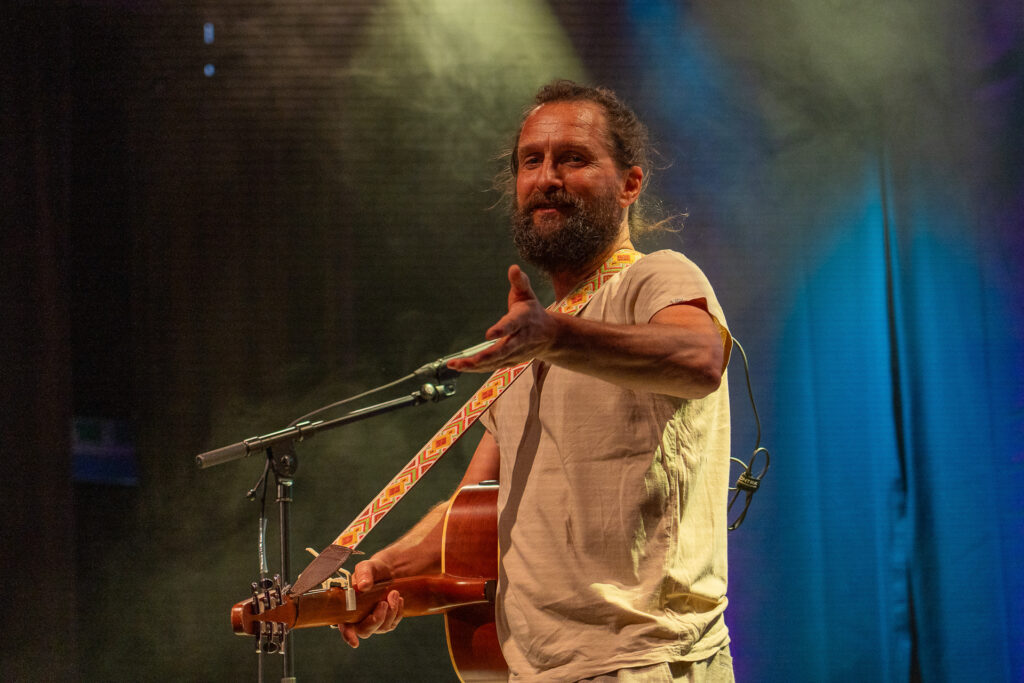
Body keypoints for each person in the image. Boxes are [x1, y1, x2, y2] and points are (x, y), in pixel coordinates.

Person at [341, 80, 735, 682]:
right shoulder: (528, 342)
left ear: (629, 184)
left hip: (645, 663)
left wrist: (556, 338)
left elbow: (702, 358)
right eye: (531, 161)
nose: (546, 177)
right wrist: (384, 574)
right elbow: (474, 514)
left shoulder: (656, 278)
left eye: (573, 159)